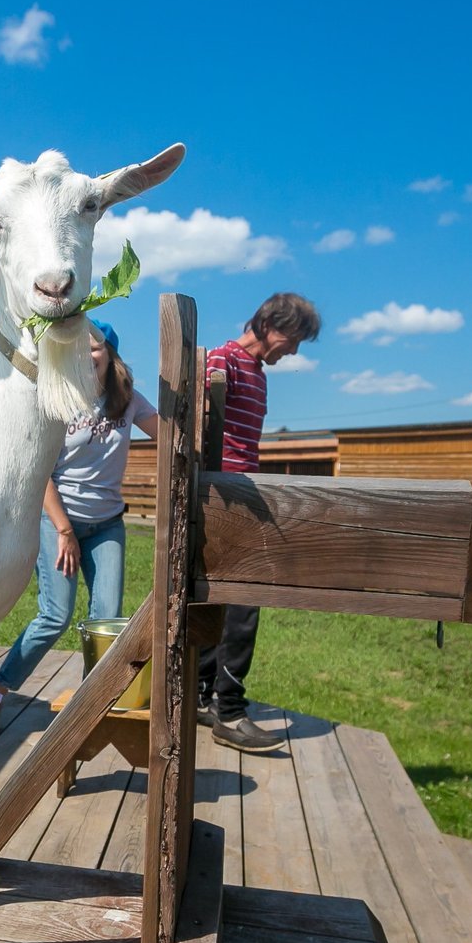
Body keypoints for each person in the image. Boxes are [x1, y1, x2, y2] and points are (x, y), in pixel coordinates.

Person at [0, 320, 158, 736]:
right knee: (55, 616)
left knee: (107, 618)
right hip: (59, 521)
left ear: (110, 353)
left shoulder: (127, 400)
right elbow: (41, 474)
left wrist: (196, 411)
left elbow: (168, 431)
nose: (84, 355)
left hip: (107, 523)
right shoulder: (58, 399)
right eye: (76, 348)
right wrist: (63, 531)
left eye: (92, 348)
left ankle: (95, 703)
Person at [197, 292, 321, 753]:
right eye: (293, 338)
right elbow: (201, 428)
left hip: (246, 495)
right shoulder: (221, 361)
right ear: (269, 324)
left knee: (226, 600)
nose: (294, 350)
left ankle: (206, 697)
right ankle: (229, 712)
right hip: (221, 497)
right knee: (245, 602)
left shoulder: (259, 376)